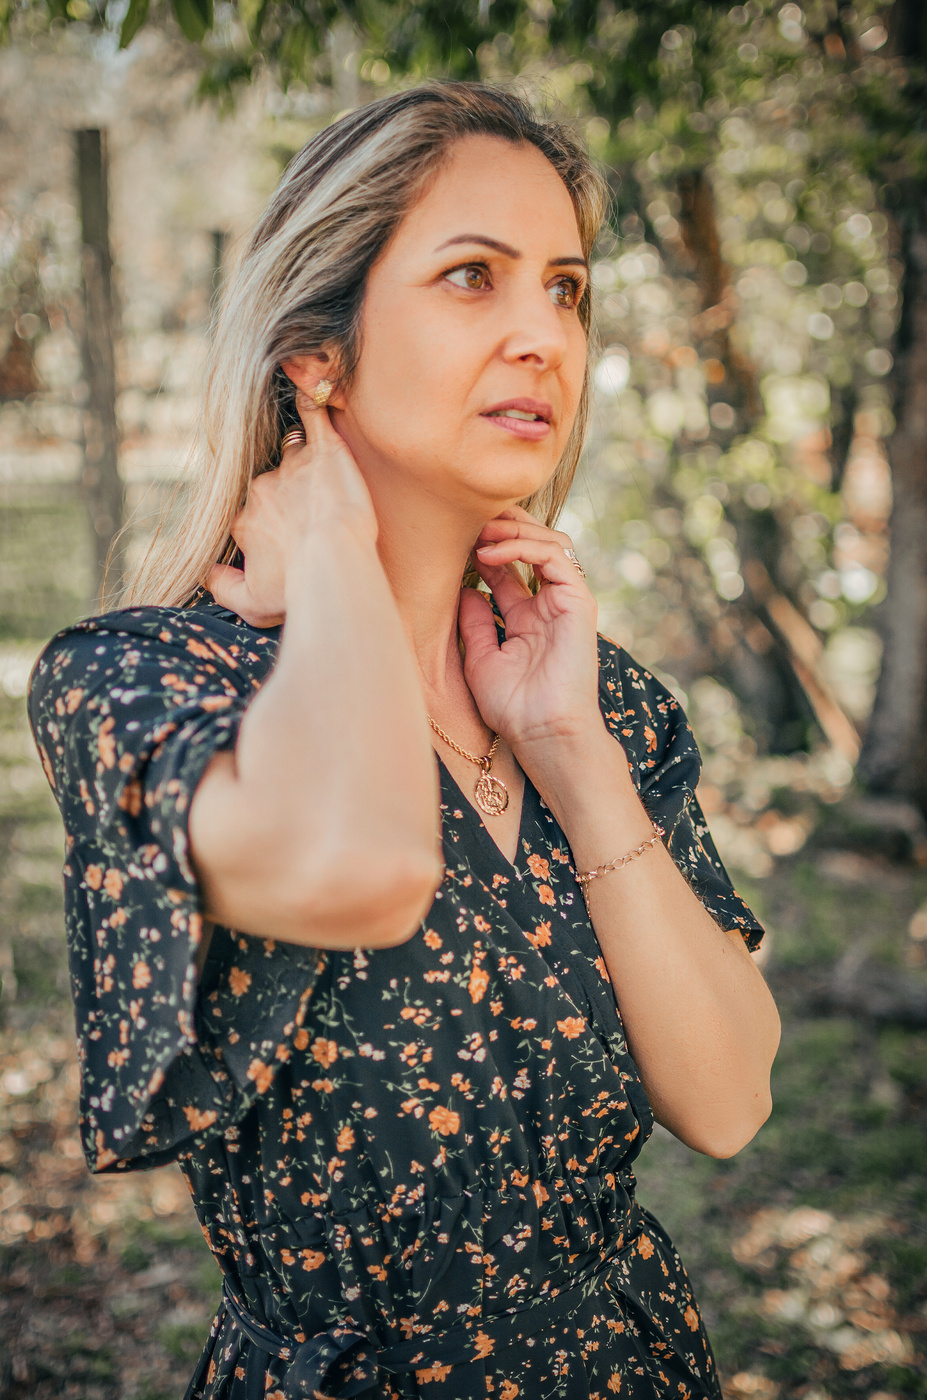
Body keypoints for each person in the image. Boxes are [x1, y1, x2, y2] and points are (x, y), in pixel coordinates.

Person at [28, 82, 780, 1400]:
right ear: (317, 357)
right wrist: (331, 550)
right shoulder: (144, 682)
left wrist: (571, 750)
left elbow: (727, 1103)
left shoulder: (604, 705)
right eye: (472, 277)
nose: (543, 336)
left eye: (565, 289)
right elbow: (361, 869)